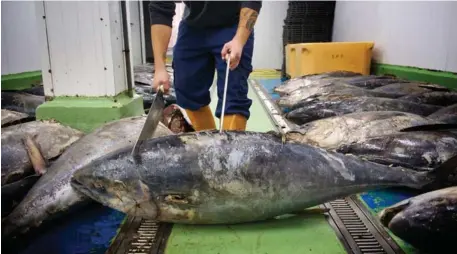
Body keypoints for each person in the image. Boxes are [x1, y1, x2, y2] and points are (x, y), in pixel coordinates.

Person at [149, 1, 262, 131]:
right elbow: (161, 8)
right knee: (187, 89)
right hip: (193, 26)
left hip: (233, 24)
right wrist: (159, 68)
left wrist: (239, 40)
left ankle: (231, 148)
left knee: (233, 91)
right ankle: (207, 143)